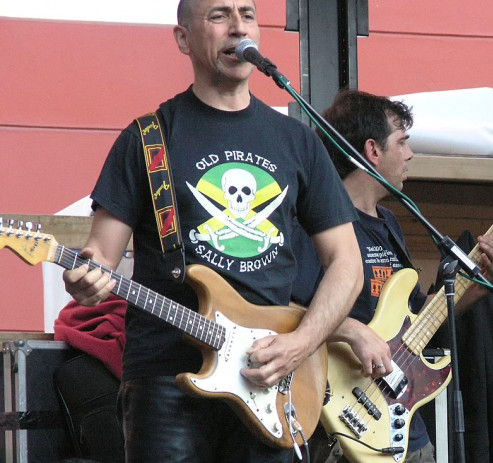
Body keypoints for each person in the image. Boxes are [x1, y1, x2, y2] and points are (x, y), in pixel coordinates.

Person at [62, 0, 363, 462]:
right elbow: (100, 255)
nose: (238, 26)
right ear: (183, 38)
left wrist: (300, 345)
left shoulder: (297, 140)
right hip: (167, 376)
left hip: (271, 372)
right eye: (219, 15)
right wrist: (85, 278)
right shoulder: (148, 138)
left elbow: (346, 262)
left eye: (247, 13)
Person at [290, 89, 493, 462]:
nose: (409, 155)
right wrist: (355, 331)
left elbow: (417, 317)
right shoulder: (317, 221)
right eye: (402, 143)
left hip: (401, 420)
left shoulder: (389, 223)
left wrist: (482, 286)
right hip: (339, 416)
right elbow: (288, 307)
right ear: (373, 150)